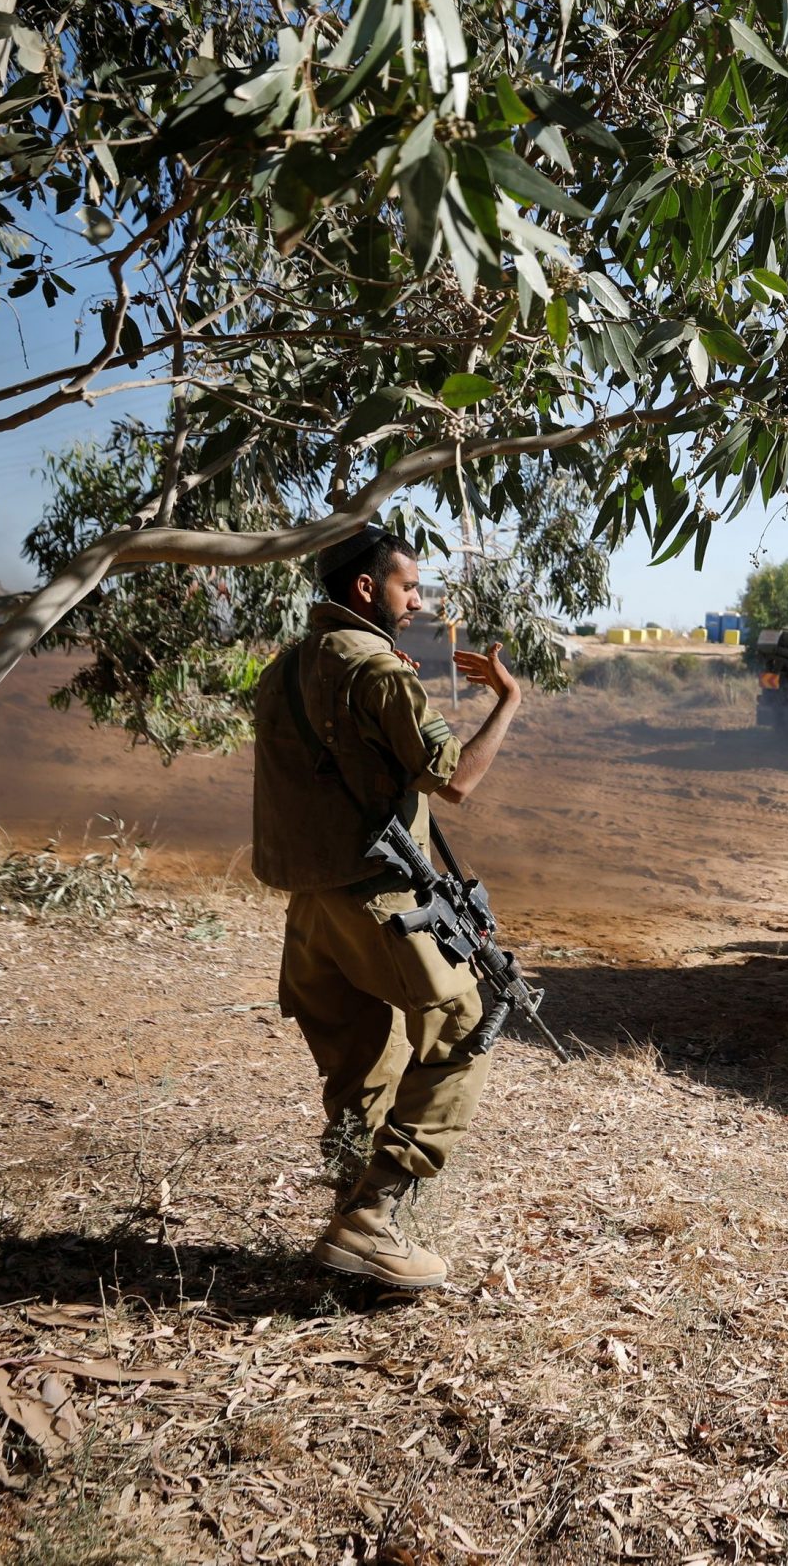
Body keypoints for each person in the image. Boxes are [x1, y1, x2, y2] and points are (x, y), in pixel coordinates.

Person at [250, 524, 522, 1290]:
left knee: (354, 1063)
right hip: (379, 902)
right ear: (366, 589)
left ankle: (349, 1211)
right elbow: (457, 782)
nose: (419, 602)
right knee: (468, 1023)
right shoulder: (375, 670)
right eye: (409, 587)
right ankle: (371, 1221)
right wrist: (509, 700)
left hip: (310, 910)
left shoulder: (285, 665)